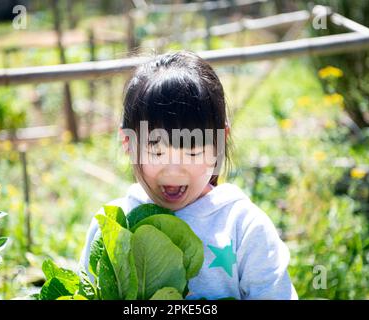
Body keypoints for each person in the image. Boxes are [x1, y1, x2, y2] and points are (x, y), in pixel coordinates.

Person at [79, 50, 298, 300]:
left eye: (192, 152)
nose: (173, 171)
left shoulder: (244, 227)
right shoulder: (111, 225)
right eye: (156, 151)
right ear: (127, 142)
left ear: (219, 141)